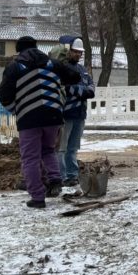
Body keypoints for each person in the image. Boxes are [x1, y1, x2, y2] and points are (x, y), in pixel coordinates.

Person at [0, 35, 81, 208]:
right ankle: (55, 180)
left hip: (29, 119)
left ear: (19, 50)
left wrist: (17, 109)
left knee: (30, 158)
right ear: (36, 47)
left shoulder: (15, 67)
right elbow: (75, 77)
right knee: (48, 150)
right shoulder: (52, 64)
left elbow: (4, 96)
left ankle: (37, 197)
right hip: (53, 116)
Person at [59, 37, 96, 187]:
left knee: (73, 147)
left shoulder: (82, 70)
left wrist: (83, 91)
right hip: (66, 114)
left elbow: (92, 87)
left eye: (80, 53)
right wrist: (82, 91)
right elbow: (65, 88)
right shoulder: (62, 68)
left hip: (80, 114)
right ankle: (61, 177)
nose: (78, 55)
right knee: (61, 148)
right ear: (68, 50)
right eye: (76, 52)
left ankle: (72, 175)